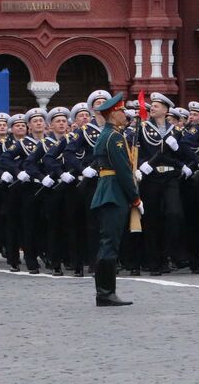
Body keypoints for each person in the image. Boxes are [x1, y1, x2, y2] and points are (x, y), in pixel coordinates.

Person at [90, 91, 141, 306]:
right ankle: (105, 292)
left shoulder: (107, 134)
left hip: (107, 190)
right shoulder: (115, 137)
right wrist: (135, 197)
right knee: (110, 242)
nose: (124, 114)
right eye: (121, 110)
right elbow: (122, 170)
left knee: (108, 241)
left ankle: (105, 291)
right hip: (114, 192)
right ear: (112, 114)